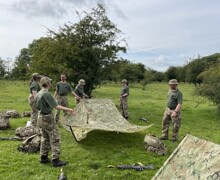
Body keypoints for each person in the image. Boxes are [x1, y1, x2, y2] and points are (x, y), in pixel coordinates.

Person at [36, 76, 75, 167]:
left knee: (45, 138)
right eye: (50, 82)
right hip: (47, 118)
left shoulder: (39, 93)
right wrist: (69, 109)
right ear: (48, 83)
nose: (51, 83)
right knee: (55, 138)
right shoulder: (46, 94)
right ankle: (55, 160)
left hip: (40, 117)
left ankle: (43, 158)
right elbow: (56, 107)